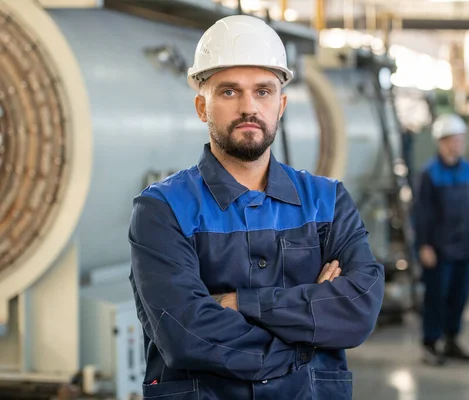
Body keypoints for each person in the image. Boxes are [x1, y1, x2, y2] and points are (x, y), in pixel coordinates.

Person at [127, 14, 385, 400]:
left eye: (262, 91)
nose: (249, 107)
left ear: (280, 105)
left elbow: (357, 310)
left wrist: (239, 303)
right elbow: (186, 334)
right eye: (229, 92)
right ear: (202, 106)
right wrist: (304, 342)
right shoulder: (161, 210)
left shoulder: (327, 200)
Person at [413, 113, 469, 366]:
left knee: (459, 296)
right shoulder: (430, 174)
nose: (459, 144)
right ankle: (431, 343)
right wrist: (424, 245)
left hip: (464, 246)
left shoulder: (468, 170)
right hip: (440, 249)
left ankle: (452, 339)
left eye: (461, 139)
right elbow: (422, 213)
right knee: (436, 297)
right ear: (442, 142)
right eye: (455, 139)